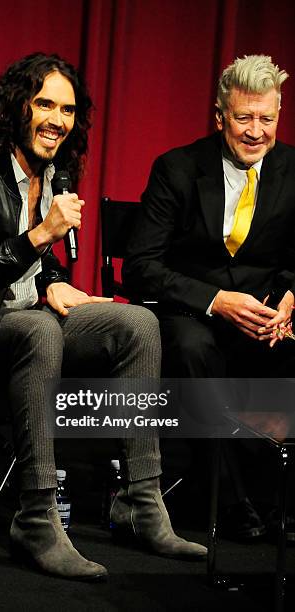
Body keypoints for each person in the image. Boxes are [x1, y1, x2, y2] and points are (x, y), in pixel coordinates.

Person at [0, 52, 206, 581]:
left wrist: (53, 280)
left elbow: (33, 271)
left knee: (137, 325)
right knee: (39, 327)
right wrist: (41, 236)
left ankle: (140, 499)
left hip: (21, 319)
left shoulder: (54, 171)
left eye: (67, 111)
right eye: (44, 104)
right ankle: (37, 515)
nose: (57, 120)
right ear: (16, 106)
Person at [123, 54, 295, 539]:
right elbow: (141, 267)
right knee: (195, 349)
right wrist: (217, 300)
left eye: (266, 118)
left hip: (266, 314)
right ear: (220, 117)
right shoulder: (177, 169)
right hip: (191, 311)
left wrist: (289, 298)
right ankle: (228, 496)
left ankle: (280, 497)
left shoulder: (294, 169)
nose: (256, 131)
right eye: (243, 118)